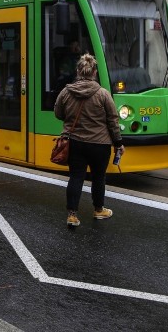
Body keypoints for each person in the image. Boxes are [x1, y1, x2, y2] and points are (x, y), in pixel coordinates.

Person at [54, 53, 124, 228]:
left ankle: (72, 215)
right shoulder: (103, 94)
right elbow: (113, 121)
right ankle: (98, 210)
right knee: (98, 178)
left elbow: (58, 114)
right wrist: (118, 143)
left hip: (75, 143)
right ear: (94, 72)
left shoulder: (66, 92)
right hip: (100, 145)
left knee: (76, 177)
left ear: (78, 71)